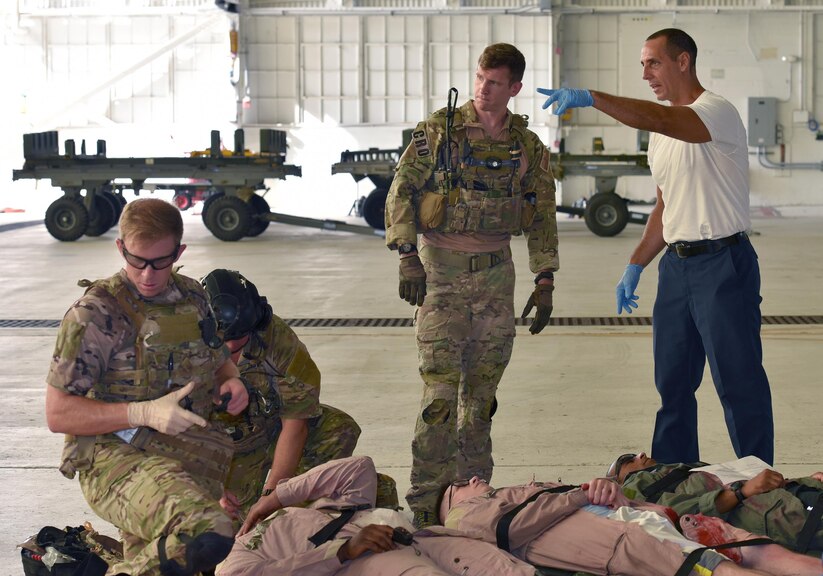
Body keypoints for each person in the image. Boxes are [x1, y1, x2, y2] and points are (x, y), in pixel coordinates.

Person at [538, 28, 775, 466]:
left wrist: (592, 97)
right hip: (677, 270)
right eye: (642, 65)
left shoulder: (715, 112)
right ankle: (672, 478)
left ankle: (760, 483)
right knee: (673, 384)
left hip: (724, 263)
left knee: (738, 381)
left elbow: (661, 118)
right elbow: (666, 207)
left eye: (653, 63)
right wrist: (636, 265)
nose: (646, 73)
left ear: (683, 61)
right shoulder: (662, 137)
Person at [384, 42, 559, 528]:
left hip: (496, 276)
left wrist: (545, 278)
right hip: (441, 272)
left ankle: (472, 499)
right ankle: (424, 505)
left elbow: (542, 211)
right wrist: (406, 255)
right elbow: (401, 190)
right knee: (440, 397)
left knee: (481, 400)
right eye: (481, 77)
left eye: (495, 82)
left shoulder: (526, 147)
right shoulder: (438, 133)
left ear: (515, 88)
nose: (484, 88)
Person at [45, 198, 249, 576]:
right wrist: (144, 413)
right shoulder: (95, 313)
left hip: (186, 457)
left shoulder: (192, 297)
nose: (149, 274)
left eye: (161, 261)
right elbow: (59, 414)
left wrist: (231, 381)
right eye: (138, 261)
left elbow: (219, 360)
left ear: (179, 252)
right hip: (113, 458)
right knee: (207, 531)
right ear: (121, 247)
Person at [216, 456, 552, 576]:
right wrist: (343, 551)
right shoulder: (232, 562)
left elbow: (358, 467)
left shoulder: (326, 509)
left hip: (415, 541)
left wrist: (274, 499)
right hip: (363, 564)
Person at [200, 269, 379, 522]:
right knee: (219, 528)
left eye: (238, 339)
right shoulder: (185, 345)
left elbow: (294, 426)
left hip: (269, 427)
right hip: (219, 450)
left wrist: (272, 497)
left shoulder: (277, 342)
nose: (230, 348)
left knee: (338, 428)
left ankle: (314, 508)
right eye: (221, 340)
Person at [440, 475, 823, 576]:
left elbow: (584, 497)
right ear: (449, 505)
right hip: (622, 538)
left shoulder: (513, 492)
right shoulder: (464, 518)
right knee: (713, 568)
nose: (473, 478)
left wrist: (609, 487)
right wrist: (579, 494)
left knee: (751, 548)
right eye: (458, 484)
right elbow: (510, 529)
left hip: (645, 519)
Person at [608, 451, 823, 553]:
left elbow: (753, 481)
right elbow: (676, 515)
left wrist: (804, 481)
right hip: (785, 515)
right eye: (627, 460)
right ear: (617, 479)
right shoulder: (635, 488)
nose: (640, 454)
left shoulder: (678, 469)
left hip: (792, 497)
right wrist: (743, 492)